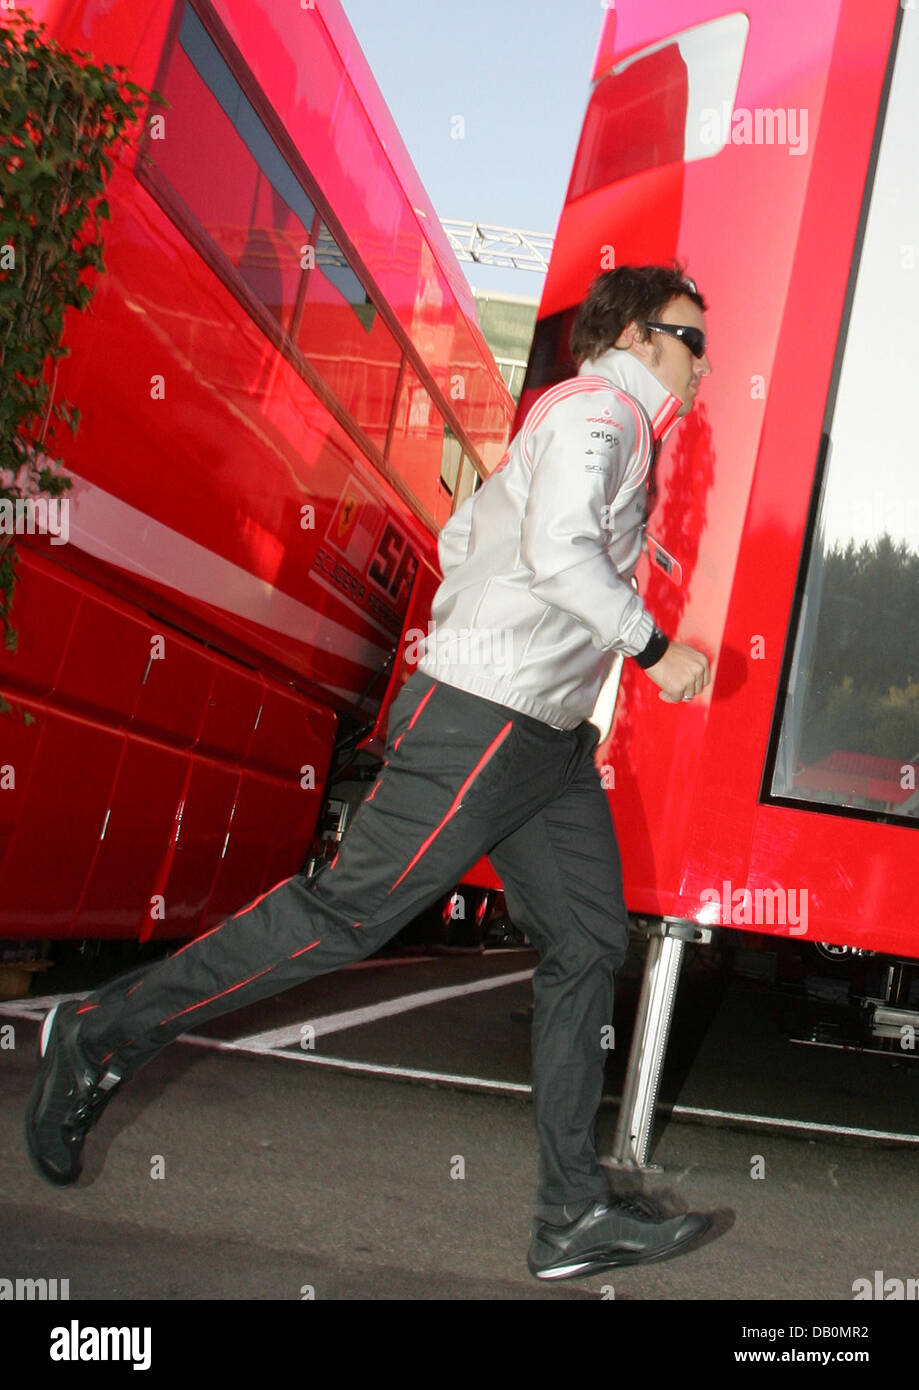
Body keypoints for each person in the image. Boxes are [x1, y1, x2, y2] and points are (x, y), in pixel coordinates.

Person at [25, 263, 713, 1282]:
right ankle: (97, 1031)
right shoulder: (600, 409)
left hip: (544, 739)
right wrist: (656, 648)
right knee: (349, 913)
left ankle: (570, 1212)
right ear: (646, 338)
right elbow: (561, 551)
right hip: (489, 720)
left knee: (586, 939)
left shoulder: (612, 434)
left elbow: (472, 534)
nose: (707, 365)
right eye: (696, 341)